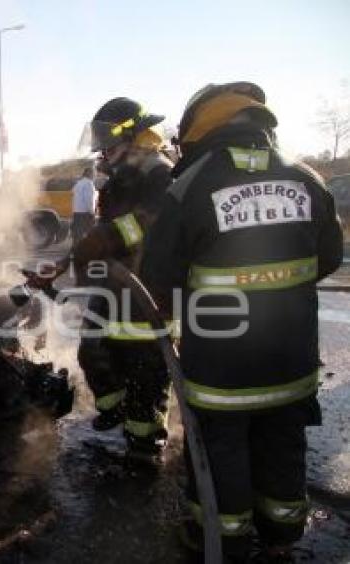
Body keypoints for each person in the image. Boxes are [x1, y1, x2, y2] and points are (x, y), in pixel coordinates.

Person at [140, 82, 344, 561]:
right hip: (290, 362)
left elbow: (157, 277)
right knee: (283, 442)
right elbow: (330, 257)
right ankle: (281, 538)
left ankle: (222, 539)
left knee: (221, 449)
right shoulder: (306, 178)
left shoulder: (190, 186)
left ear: (201, 129)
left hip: (221, 367)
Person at [33, 97, 175, 464]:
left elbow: (150, 221)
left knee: (145, 374)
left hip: (148, 291)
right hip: (113, 286)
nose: (100, 148)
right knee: (92, 351)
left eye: (106, 138)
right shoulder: (121, 174)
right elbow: (101, 231)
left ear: (132, 134)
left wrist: (105, 239)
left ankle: (145, 445)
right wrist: (66, 262)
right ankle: (114, 409)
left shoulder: (158, 171)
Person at [70, 167, 97, 244]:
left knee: (77, 234)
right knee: (90, 234)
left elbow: (73, 194)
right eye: (94, 173)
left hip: (77, 213)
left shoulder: (78, 183)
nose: (95, 175)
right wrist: (92, 213)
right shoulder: (89, 184)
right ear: (90, 174)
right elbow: (89, 200)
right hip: (86, 213)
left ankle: (75, 251)